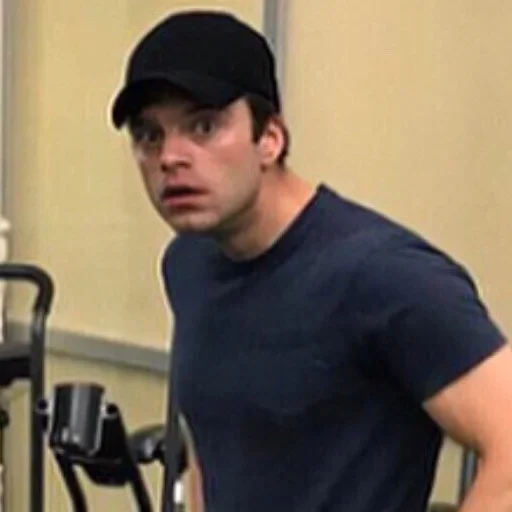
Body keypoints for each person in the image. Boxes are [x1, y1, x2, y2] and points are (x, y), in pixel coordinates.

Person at [110, 9, 512, 512]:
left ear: (270, 138)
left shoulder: (384, 275)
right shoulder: (188, 263)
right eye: (149, 135)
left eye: (204, 126)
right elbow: (214, 446)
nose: (170, 157)